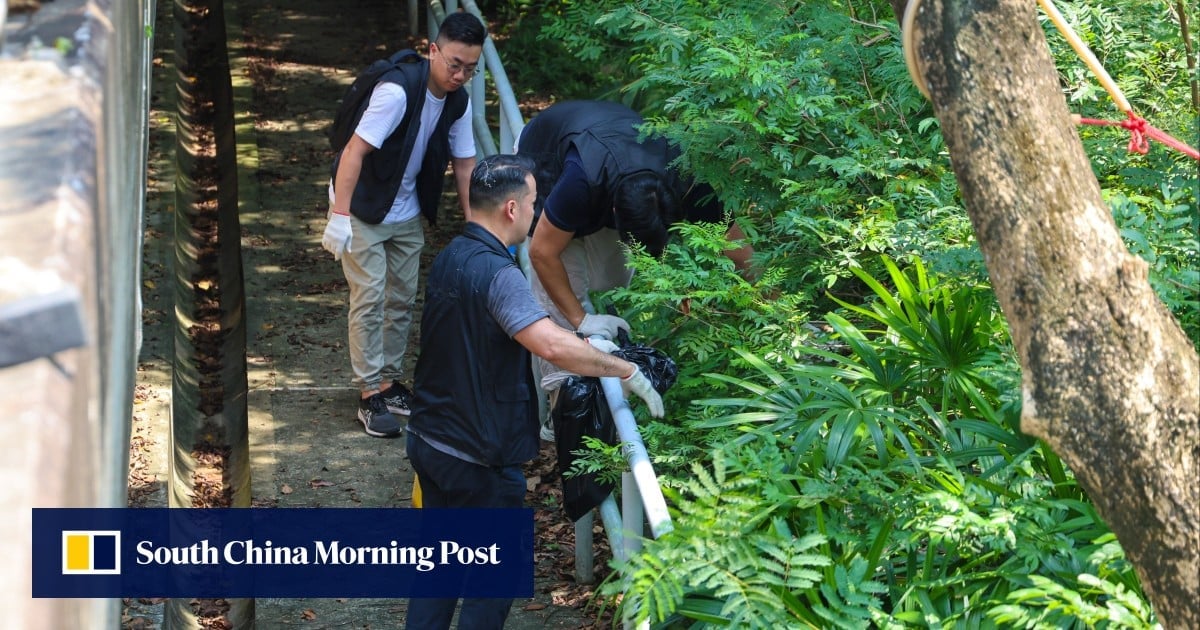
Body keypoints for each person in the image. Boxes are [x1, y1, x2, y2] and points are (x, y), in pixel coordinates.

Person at [404, 154, 664, 630]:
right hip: (476, 457)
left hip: (431, 439)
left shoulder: (450, 256)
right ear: (510, 209)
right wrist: (624, 369)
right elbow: (548, 343)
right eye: (532, 202)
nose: (536, 212)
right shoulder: (498, 273)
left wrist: (584, 331)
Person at [515, 100, 753, 435]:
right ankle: (567, 417)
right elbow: (542, 252)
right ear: (614, 213)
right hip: (547, 158)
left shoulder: (683, 175)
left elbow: (735, 243)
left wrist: (774, 306)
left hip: (610, 157)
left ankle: (601, 364)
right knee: (563, 303)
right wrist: (581, 319)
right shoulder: (579, 183)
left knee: (611, 280)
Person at [320, 12, 486, 438]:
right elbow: (354, 151)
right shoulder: (396, 92)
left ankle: (390, 382)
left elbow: (465, 164)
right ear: (433, 51)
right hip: (363, 208)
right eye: (453, 63)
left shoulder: (458, 101)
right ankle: (369, 391)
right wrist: (340, 215)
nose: (460, 74)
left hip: (406, 211)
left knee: (402, 299)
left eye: (470, 67)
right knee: (370, 296)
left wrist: (477, 230)